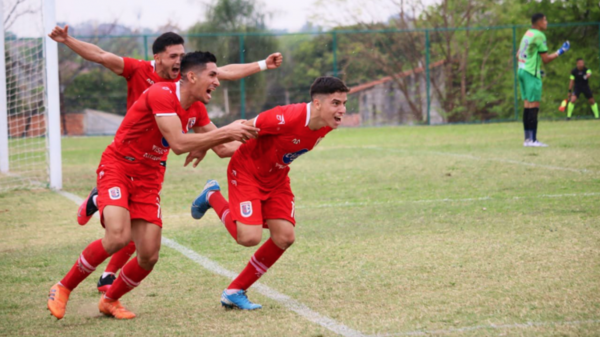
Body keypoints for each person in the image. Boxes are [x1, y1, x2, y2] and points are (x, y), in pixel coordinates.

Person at [48, 25, 282, 292]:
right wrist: (67, 40)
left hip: (152, 165)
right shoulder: (142, 74)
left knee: (145, 245)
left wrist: (263, 68)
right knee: (118, 234)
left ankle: (108, 282)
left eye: (182, 55)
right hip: (126, 157)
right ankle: (98, 214)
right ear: (157, 57)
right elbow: (100, 55)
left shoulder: (190, 93)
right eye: (173, 56)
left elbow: (223, 73)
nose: (179, 61)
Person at [189, 77, 348, 310]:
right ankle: (212, 195)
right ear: (316, 103)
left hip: (276, 178)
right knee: (248, 238)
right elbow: (242, 128)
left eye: (344, 103)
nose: (342, 110)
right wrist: (205, 144)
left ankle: (235, 290)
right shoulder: (286, 116)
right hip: (247, 172)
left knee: (285, 237)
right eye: (336, 103)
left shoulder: (326, 124)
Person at [516, 13, 570, 147]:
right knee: (534, 106)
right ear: (539, 22)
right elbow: (545, 59)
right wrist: (560, 51)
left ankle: (527, 140)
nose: (546, 22)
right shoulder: (539, 35)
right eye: (545, 20)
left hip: (522, 70)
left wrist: (531, 66)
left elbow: (518, 54)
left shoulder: (528, 33)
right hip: (530, 73)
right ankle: (533, 140)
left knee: (527, 105)